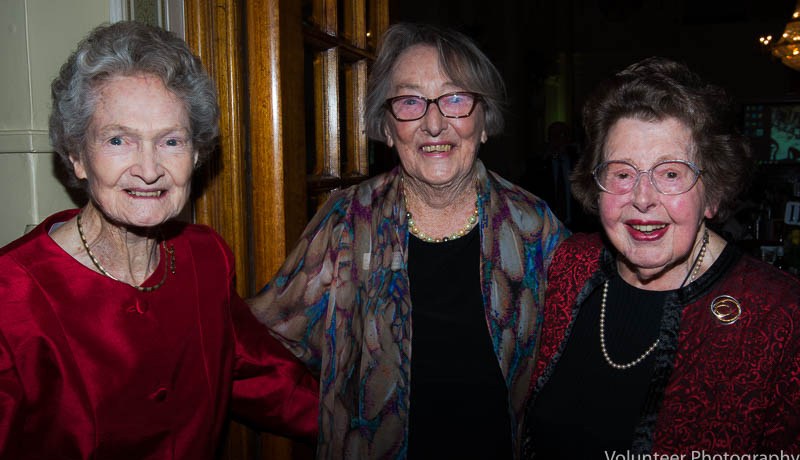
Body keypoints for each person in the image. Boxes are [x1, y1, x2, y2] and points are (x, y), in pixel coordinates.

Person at [248, 23, 569, 459]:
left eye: (455, 99)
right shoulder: (348, 221)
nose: (433, 124)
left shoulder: (534, 227)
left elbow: (581, 364)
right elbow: (265, 346)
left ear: (484, 121)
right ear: (387, 125)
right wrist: (333, 423)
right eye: (410, 102)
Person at [0, 21, 317, 459]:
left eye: (170, 141)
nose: (149, 170)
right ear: (77, 156)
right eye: (118, 140)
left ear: (196, 154)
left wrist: (381, 430)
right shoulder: (11, 295)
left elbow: (262, 377)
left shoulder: (205, 258)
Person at [522, 57, 800, 457]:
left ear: (712, 192)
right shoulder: (569, 266)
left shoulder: (779, 315)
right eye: (622, 173)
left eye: (670, 174)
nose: (642, 198)